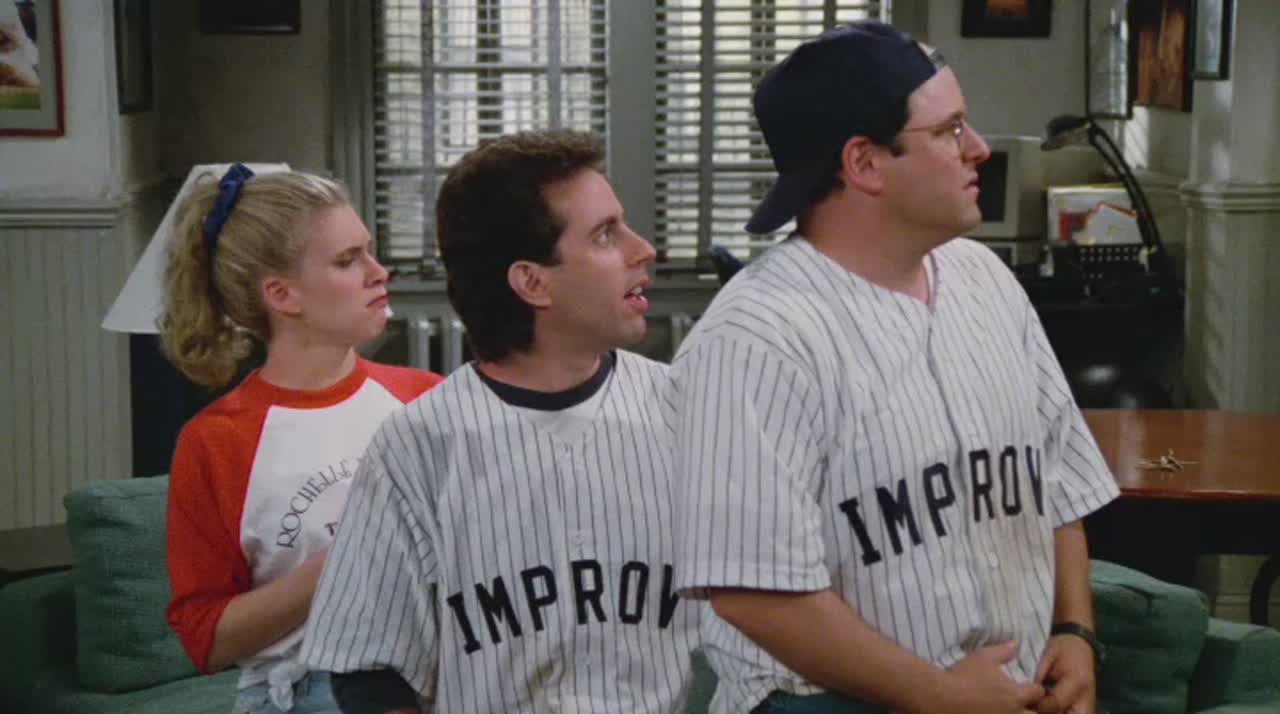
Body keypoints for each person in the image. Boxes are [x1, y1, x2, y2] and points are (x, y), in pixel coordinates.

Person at [667, 20, 1119, 714]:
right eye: (950, 130)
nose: (979, 148)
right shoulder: (754, 339)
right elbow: (752, 592)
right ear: (865, 164)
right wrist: (941, 698)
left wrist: (1075, 630)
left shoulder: (985, 279)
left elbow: (1057, 487)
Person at [299, 129, 701, 713]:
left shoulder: (683, 411)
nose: (644, 250)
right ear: (532, 282)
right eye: (606, 234)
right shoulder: (417, 443)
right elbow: (370, 672)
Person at [161, 165, 444, 714]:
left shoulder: (426, 397)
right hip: (308, 688)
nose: (378, 272)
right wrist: (342, 562)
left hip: (439, 671)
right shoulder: (217, 440)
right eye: (347, 260)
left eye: (370, 252)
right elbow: (207, 639)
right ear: (281, 294)